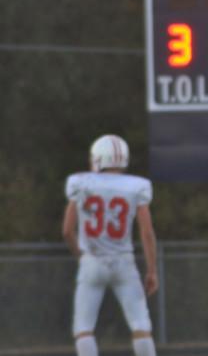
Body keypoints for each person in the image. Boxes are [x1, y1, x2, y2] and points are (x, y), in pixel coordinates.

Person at [62, 135, 159, 356]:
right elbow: (146, 232)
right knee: (141, 326)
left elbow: (67, 230)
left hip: (92, 260)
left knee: (84, 329)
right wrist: (152, 270)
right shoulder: (136, 186)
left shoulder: (81, 182)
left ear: (98, 158)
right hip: (124, 261)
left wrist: (81, 256)